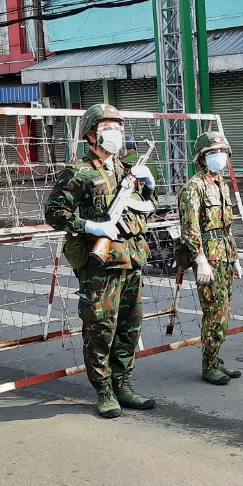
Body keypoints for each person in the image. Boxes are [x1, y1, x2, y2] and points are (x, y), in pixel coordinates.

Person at [44, 104, 156, 417]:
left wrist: (148, 186)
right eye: (109, 128)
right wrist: (92, 227)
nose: (116, 134)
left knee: (129, 327)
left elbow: (145, 206)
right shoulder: (78, 172)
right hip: (101, 265)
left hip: (131, 259)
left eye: (119, 128)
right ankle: (104, 389)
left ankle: (123, 384)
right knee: (100, 327)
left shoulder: (125, 169)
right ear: (92, 135)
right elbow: (54, 213)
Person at [177, 131, 243, 385]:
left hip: (225, 253)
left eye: (223, 153)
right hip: (209, 256)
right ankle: (208, 365)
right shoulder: (193, 187)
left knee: (224, 311)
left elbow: (227, 226)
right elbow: (190, 227)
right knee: (215, 312)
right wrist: (200, 259)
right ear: (202, 159)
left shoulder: (221, 184)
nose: (220, 157)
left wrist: (236, 258)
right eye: (213, 154)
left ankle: (216, 359)